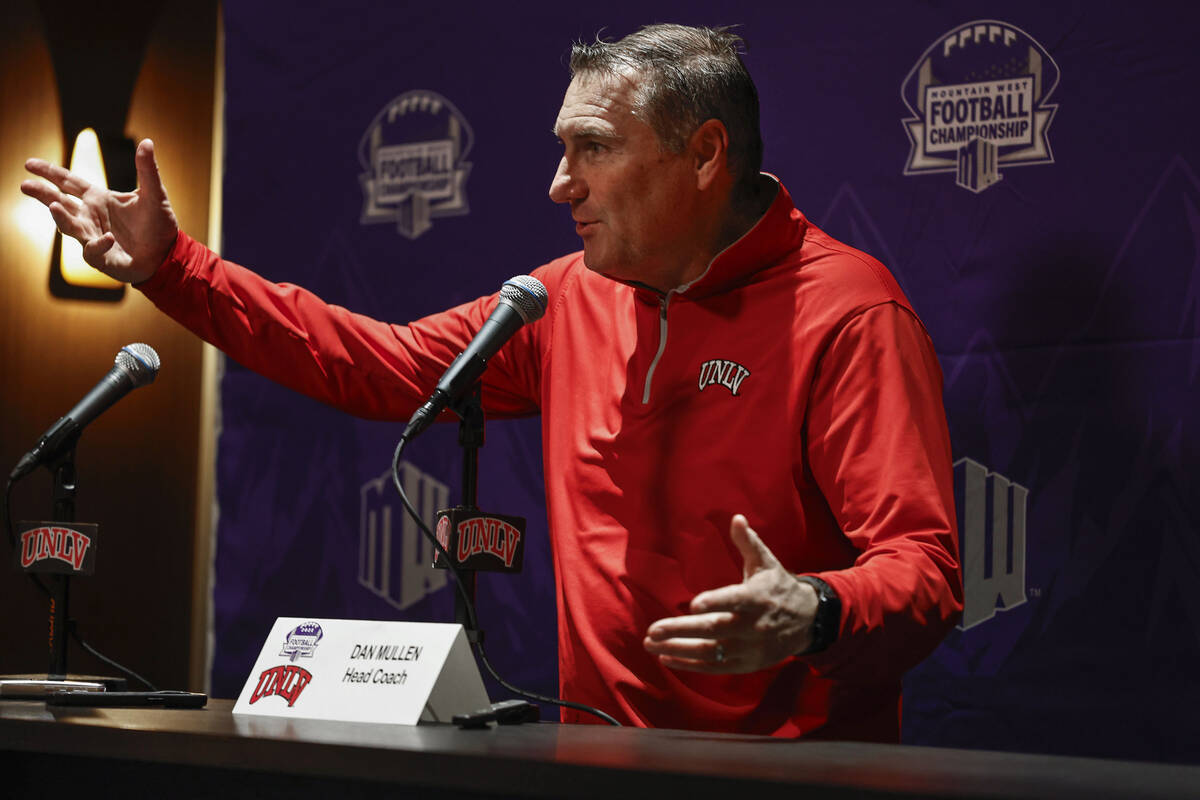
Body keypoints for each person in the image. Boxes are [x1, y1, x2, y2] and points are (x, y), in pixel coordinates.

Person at [21, 24, 962, 740]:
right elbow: (375, 362)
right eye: (563, 148)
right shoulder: (565, 302)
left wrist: (818, 610)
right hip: (592, 769)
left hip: (788, 779)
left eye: (593, 147)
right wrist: (173, 269)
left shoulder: (845, 311)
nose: (560, 183)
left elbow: (924, 568)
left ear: (706, 154)